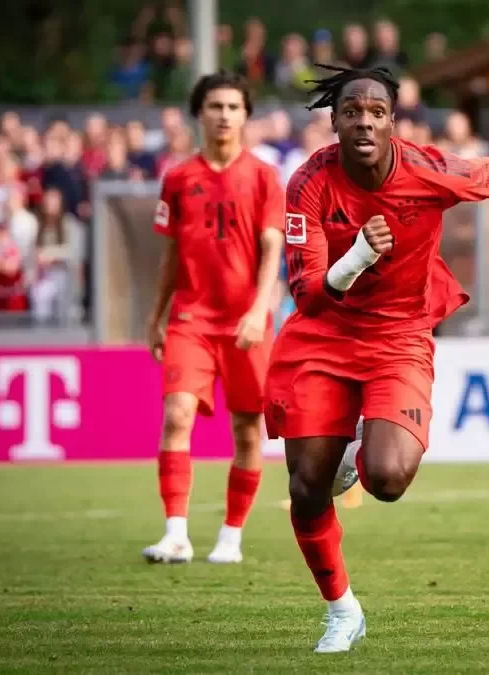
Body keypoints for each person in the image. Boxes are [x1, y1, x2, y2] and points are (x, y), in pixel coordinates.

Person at [267, 64, 489, 653]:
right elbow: (305, 294)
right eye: (351, 111)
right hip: (324, 335)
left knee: (388, 479)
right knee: (306, 488)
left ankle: (357, 445)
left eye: (376, 112)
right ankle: (341, 610)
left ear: (392, 123)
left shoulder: (428, 168)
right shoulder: (308, 182)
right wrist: (355, 256)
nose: (363, 121)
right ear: (334, 121)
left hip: (398, 337)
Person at [142, 71, 286, 565]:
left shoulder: (265, 177)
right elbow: (170, 255)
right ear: (199, 114)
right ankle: (176, 534)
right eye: (215, 106)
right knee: (176, 415)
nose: (224, 115)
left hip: (247, 325)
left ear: (245, 115)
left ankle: (231, 536)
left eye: (233, 107)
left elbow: (273, 248)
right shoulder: (179, 178)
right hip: (191, 319)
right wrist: (156, 316)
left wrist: (258, 310)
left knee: (248, 430)